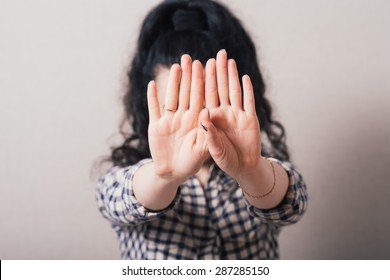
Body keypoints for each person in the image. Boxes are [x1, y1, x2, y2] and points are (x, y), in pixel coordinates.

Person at [96, 0, 307, 260]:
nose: (199, 121)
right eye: (178, 107)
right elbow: (115, 200)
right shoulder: (126, 178)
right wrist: (165, 176)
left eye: (214, 103)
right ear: (149, 106)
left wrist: (251, 169)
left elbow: (292, 205)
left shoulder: (265, 171)